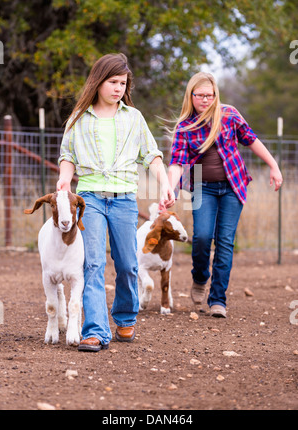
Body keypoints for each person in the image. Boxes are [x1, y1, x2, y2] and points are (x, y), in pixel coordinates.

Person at [57, 53, 175, 351]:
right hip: (90, 199)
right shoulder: (78, 119)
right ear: (98, 82)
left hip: (123, 200)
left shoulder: (133, 118)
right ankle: (95, 330)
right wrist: (64, 178)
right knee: (93, 263)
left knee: (127, 264)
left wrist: (165, 185)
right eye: (113, 82)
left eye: (123, 83)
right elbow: (67, 156)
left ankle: (124, 316)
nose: (118, 88)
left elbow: (152, 156)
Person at [168, 72, 283, 318]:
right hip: (201, 187)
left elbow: (251, 140)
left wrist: (273, 166)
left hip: (232, 185)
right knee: (201, 237)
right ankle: (200, 277)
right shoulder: (185, 125)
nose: (206, 100)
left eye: (210, 95)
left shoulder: (229, 114)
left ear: (215, 95)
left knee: (225, 243)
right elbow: (177, 162)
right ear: (191, 96)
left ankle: (218, 299)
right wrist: (169, 189)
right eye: (200, 95)